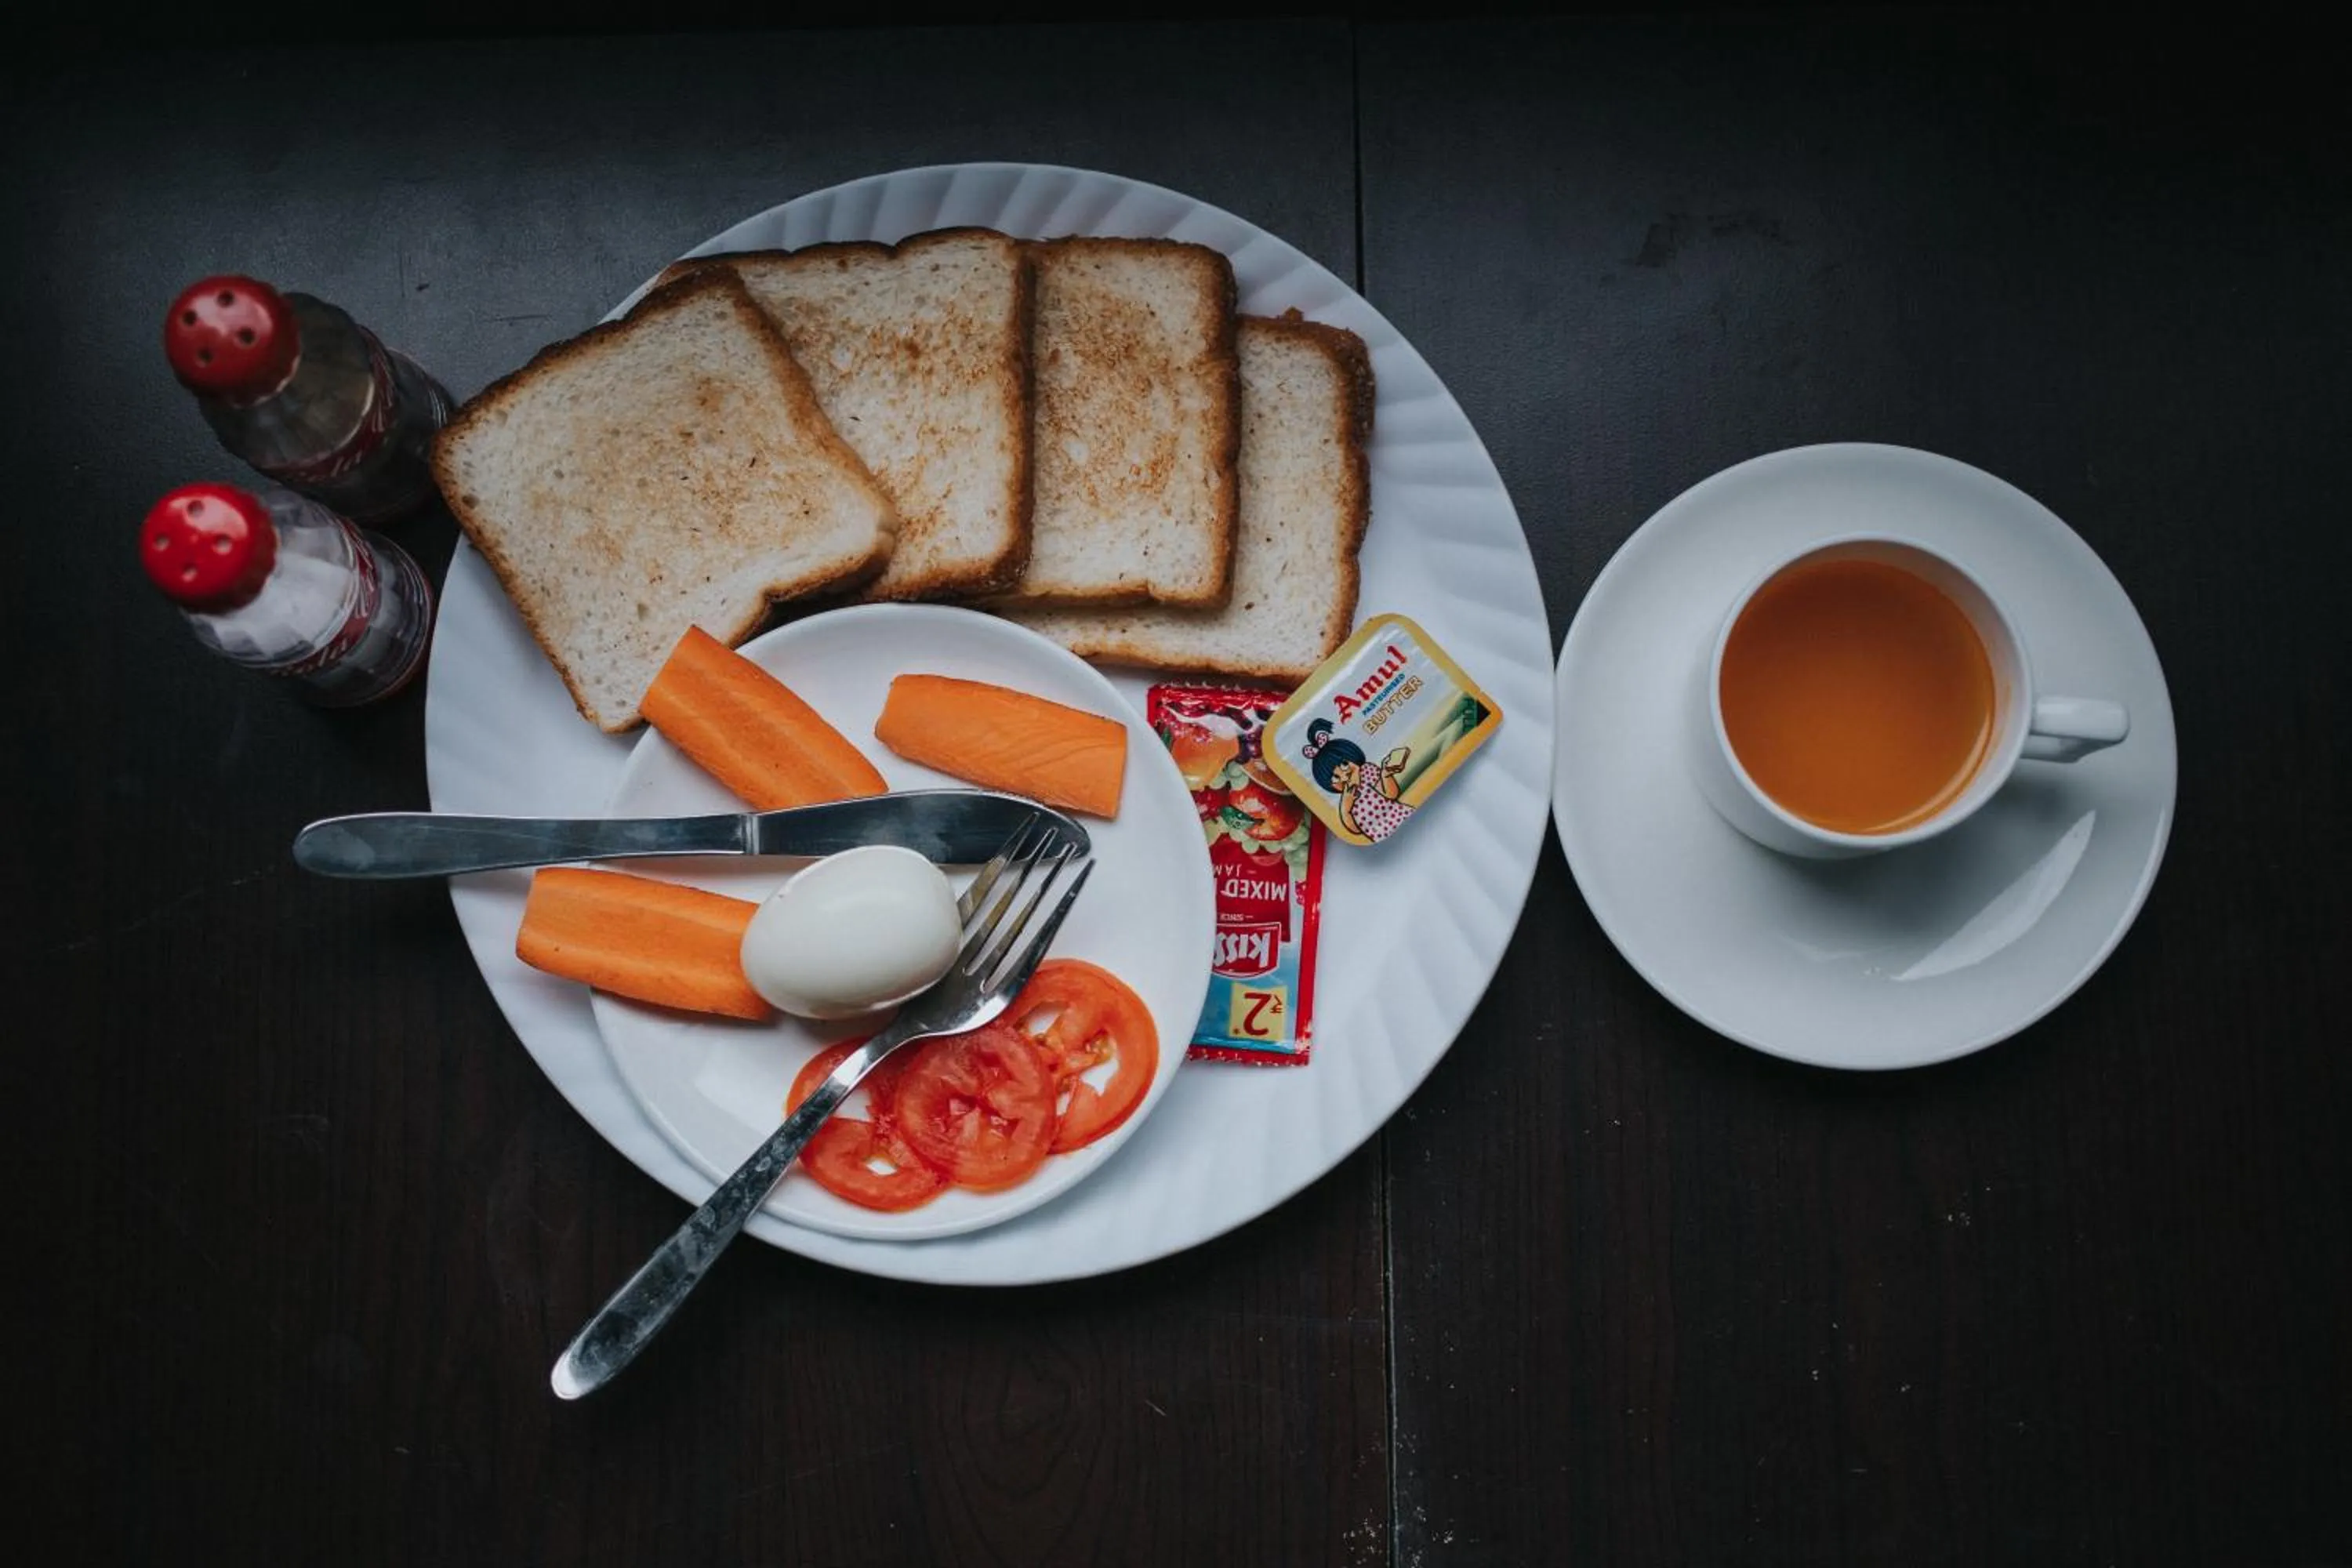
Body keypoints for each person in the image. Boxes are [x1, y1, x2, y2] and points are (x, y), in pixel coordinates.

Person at [1302, 719, 1415, 842]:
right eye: (1335, 778)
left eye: (1345, 765)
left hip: (1405, 816)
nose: (1345, 777)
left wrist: (1386, 775)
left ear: (1353, 756)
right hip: (1382, 839)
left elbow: (1391, 794)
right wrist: (1346, 809)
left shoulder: (1367, 771)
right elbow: (1355, 830)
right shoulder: (1346, 799)